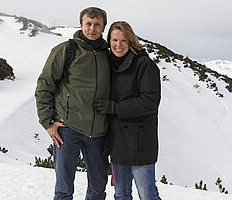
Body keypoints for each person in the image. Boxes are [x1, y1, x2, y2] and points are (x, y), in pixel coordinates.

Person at [35, 7, 110, 200]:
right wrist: (47, 122)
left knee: (98, 189)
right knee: (64, 188)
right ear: (81, 24)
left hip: (99, 132)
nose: (92, 28)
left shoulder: (108, 56)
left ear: (103, 27)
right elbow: (45, 85)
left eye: (97, 24)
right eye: (88, 24)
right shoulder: (66, 50)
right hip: (68, 129)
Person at [94, 21, 162, 200]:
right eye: (115, 40)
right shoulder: (109, 64)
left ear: (131, 41)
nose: (118, 45)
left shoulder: (145, 65)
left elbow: (150, 101)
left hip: (140, 143)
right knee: (121, 194)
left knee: (148, 195)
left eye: (123, 41)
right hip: (118, 143)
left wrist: (115, 108)